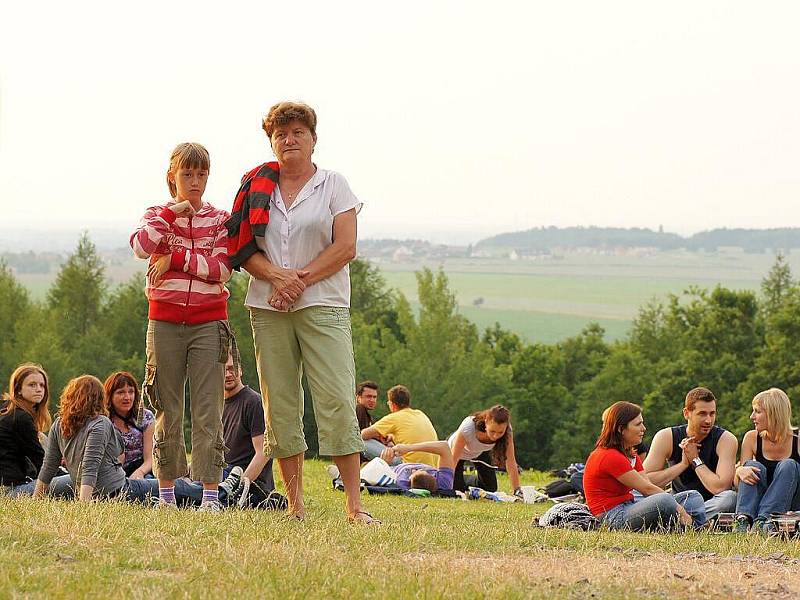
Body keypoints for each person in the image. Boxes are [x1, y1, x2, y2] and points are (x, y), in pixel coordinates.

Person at [225, 101, 373, 523]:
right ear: (272, 141)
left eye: (297, 132)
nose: (289, 140)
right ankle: (295, 506)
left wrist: (298, 281)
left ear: (313, 138)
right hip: (267, 307)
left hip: (323, 304)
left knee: (336, 400)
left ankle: (354, 508)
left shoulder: (333, 184)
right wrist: (277, 278)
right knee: (281, 406)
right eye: (280, 134)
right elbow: (242, 247)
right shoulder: (256, 186)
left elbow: (345, 247)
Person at [130, 142, 233, 511]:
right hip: (165, 321)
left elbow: (222, 269)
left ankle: (209, 496)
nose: (194, 180)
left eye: (201, 173)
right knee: (166, 408)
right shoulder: (157, 214)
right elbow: (142, 245)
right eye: (186, 173)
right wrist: (171, 216)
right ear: (171, 175)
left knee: (208, 409)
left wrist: (174, 258)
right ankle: (167, 495)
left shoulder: (220, 219)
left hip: (209, 322)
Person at [33, 375, 244, 508]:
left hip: (103, 489)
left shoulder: (60, 424)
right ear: (99, 398)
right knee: (173, 488)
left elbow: (49, 465)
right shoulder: (100, 424)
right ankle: (224, 491)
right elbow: (90, 465)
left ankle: (218, 489)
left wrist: (37, 498)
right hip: (118, 491)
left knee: (163, 485)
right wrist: (84, 506)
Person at [583, 401, 706, 531]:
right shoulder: (609, 456)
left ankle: (688, 527)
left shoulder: (631, 455)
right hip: (611, 515)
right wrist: (679, 510)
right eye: (638, 424)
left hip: (631, 505)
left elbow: (647, 485)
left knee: (693, 496)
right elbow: (647, 489)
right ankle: (690, 527)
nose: (644, 428)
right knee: (664, 501)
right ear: (620, 429)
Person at [643, 387, 738, 521]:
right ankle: (693, 520)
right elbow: (645, 481)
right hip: (680, 502)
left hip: (712, 502)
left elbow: (721, 488)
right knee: (652, 498)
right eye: (702, 414)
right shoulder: (666, 437)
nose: (708, 420)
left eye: (712, 414)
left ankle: (686, 520)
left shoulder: (726, 440)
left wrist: (695, 459)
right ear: (687, 413)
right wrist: (682, 464)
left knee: (730, 498)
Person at [733, 388, 800, 534]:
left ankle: (766, 521)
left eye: (757, 411)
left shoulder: (798, 440)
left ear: (773, 413)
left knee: (789, 464)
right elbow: (739, 485)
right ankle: (743, 521)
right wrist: (740, 471)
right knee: (751, 466)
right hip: (756, 504)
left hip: (789, 505)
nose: (752, 416)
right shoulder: (751, 438)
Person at [222, 353, 280, 508]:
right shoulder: (216, 406)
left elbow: (263, 452)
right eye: (222, 369)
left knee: (179, 489)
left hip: (250, 485)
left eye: (232, 369)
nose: (228, 374)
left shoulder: (253, 402)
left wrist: (238, 487)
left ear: (240, 370)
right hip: (221, 475)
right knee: (173, 480)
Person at [447, 405, 521, 495]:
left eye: (500, 432)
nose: (495, 436)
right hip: (457, 452)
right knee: (458, 490)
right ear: (486, 422)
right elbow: (453, 459)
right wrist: (446, 485)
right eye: (492, 431)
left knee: (490, 488)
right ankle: (458, 479)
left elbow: (510, 461)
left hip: (480, 452)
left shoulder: (507, 431)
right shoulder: (468, 427)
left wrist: (517, 490)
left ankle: (463, 479)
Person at [0, 364, 50, 490]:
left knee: (42, 436)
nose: (39, 389)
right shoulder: (20, 418)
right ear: (18, 389)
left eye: (42, 385)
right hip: (11, 489)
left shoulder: (6, 408)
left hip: (12, 483)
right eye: (32, 385)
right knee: (75, 481)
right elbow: (42, 464)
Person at [361, 385, 438, 466]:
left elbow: (363, 434)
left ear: (392, 404)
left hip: (409, 466)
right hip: (432, 466)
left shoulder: (394, 417)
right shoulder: (420, 413)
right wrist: (390, 436)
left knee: (360, 441)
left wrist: (378, 436)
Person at [104, 372, 154, 478]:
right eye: (121, 392)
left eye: (131, 392)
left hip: (143, 470)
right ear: (110, 395)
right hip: (115, 475)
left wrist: (140, 472)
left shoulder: (145, 417)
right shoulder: (104, 421)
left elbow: (150, 458)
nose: (127, 397)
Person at [380, 441, 456, 493]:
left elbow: (380, 478)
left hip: (387, 465)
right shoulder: (443, 482)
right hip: (402, 456)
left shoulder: (401, 484)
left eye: (414, 471)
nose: (414, 469)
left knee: (368, 443)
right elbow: (444, 446)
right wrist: (409, 448)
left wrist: (384, 464)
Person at [355, 381, 398, 464]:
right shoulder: (359, 409)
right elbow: (361, 438)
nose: (372, 400)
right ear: (358, 397)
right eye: (368, 396)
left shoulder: (365, 413)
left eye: (374, 397)